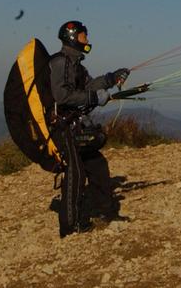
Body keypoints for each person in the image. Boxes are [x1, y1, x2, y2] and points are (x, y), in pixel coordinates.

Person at [48, 20, 130, 237]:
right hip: (61, 127)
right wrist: (94, 98)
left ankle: (105, 213)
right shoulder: (61, 62)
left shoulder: (76, 65)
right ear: (73, 37)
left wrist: (111, 78)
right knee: (75, 172)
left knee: (97, 165)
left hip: (74, 125)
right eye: (84, 36)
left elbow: (88, 86)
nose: (87, 40)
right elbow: (62, 96)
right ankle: (71, 226)